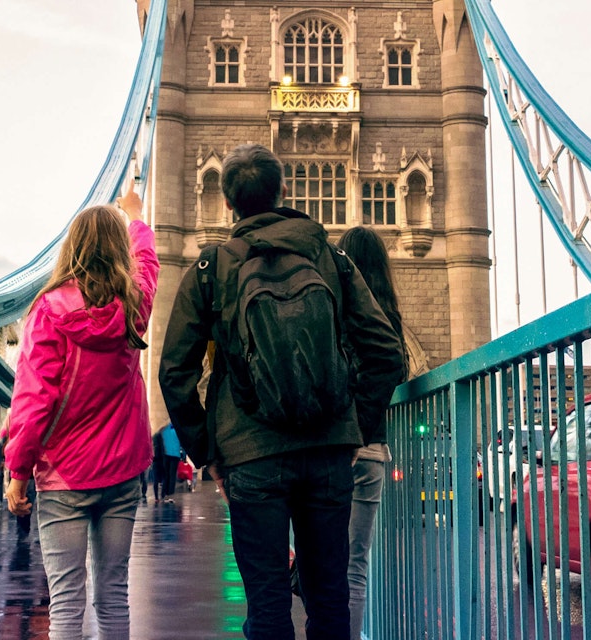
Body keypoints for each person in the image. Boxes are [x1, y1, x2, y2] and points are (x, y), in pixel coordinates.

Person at [159, 143, 407, 640]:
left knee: (268, 603)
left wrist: (208, 452)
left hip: (249, 456)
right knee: (329, 597)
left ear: (228, 203)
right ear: (284, 191)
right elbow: (386, 352)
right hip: (329, 451)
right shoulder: (331, 259)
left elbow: (175, 372)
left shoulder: (211, 270)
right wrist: (352, 423)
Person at [2, 185, 157, 640]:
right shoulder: (136, 305)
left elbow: (33, 401)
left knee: (66, 602)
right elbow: (148, 263)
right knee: (112, 596)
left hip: (64, 475)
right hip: (123, 471)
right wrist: (136, 218)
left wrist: (18, 472)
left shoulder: (48, 312)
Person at [333, 226, 427, 639]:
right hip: (369, 450)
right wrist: (362, 430)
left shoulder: (331, 307)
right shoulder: (387, 315)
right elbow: (394, 368)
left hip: (327, 447)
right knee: (355, 566)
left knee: (319, 562)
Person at [154, 424, 184, 502]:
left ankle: (165, 493)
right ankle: (170, 495)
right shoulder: (177, 430)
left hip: (166, 456)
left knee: (166, 474)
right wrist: (183, 457)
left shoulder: (164, 430)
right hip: (175, 455)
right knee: (172, 475)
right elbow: (182, 443)